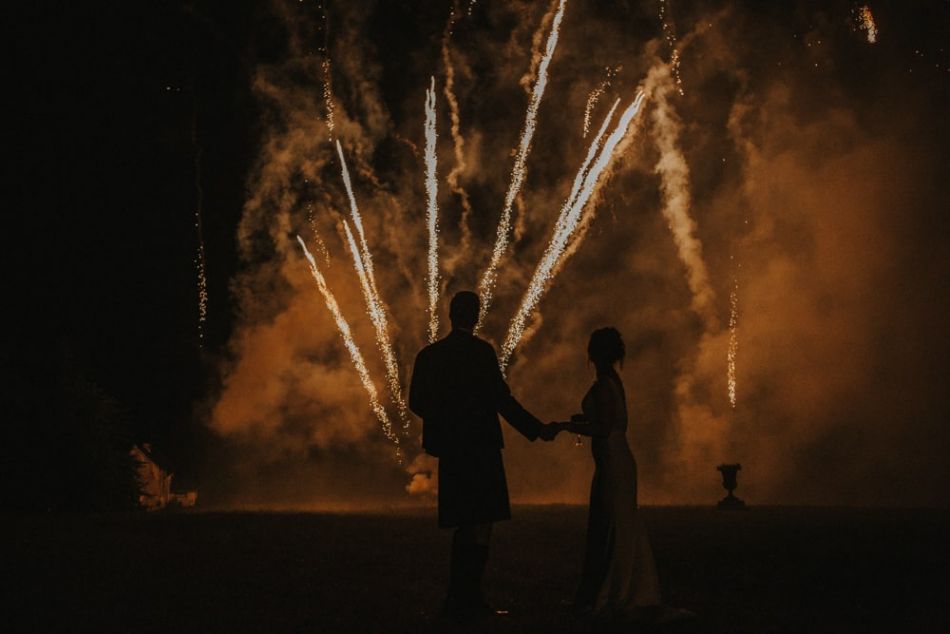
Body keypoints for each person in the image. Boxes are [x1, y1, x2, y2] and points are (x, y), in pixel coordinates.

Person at [408, 290, 554, 623]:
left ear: (450, 315)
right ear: (475, 317)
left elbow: (416, 401)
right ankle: (469, 597)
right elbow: (503, 401)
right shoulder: (482, 353)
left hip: (452, 451)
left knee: (463, 522)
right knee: (482, 523)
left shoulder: (429, 356)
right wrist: (536, 429)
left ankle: (458, 598)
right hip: (482, 448)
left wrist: (444, 424)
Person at [548, 327, 667, 623]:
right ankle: (618, 585)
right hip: (615, 459)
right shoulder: (613, 381)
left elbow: (604, 428)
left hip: (613, 461)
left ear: (593, 354)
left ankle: (613, 590)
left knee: (610, 524)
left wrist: (566, 426)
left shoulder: (604, 385)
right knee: (616, 523)